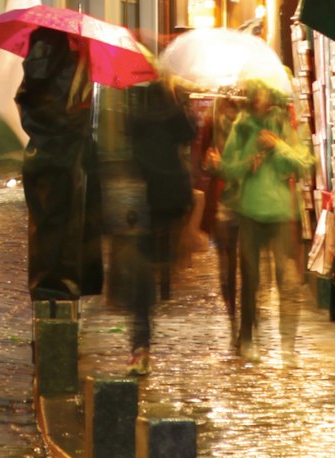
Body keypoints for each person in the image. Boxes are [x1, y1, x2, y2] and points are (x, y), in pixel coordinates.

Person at [219, 79, 313, 354]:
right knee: (250, 279)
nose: (259, 98)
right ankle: (247, 336)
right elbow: (228, 169)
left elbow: (304, 164)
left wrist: (277, 146)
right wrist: (248, 160)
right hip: (250, 212)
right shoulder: (242, 126)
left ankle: (288, 343)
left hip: (281, 213)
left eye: (263, 92)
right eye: (255, 92)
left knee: (287, 280)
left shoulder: (285, 125)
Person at [16, 23, 95, 303]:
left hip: (38, 159)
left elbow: (28, 112)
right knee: (66, 226)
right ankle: (62, 287)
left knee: (42, 224)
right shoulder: (72, 72)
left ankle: (43, 286)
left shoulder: (32, 73)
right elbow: (77, 119)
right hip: (67, 159)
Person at [121, 76, 196, 366]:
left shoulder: (137, 116)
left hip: (144, 198)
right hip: (173, 198)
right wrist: (178, 102)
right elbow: (189, 133)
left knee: (142, 270)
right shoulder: (174, 115)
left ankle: (141, 343)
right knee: (157, 252)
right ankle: (163, 269)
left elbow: (128, 146)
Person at [194, 90, 243, 334]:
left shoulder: (250, 118)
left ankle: (241, 312)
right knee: (226, 258)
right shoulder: (213, 116)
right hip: (222, 196)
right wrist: (210, 161)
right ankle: (231, 308)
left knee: (241, 259)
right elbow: (203, 157)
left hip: (246, 195)